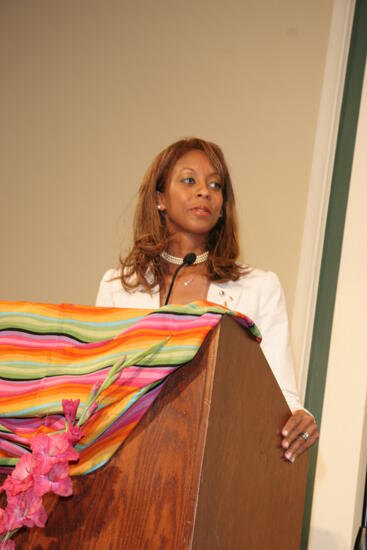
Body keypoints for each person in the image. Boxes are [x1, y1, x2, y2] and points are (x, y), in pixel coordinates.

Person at [96, 137, 318, 463]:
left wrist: (300, 419)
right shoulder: (118, 287)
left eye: (215, 185)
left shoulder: (259, 288)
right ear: (160, 199)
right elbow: (98, 389)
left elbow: (282, 396)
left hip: (219, 459)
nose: (205, 191)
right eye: (189, 180)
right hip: (129, 460)